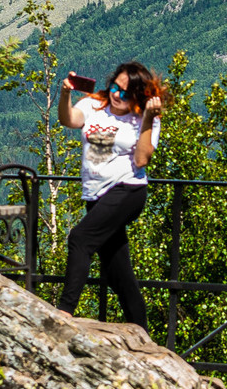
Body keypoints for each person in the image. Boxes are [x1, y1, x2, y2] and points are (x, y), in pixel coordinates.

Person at [56, 60, 164, 329]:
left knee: (80, 239)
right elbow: (69, 120)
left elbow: (141, 160)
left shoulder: (145, 119)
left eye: (126, 93)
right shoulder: (94, 104)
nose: (117, 95)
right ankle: (143, 336)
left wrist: (149, 119)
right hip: (95, 195)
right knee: (120, 275)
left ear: (138, 96)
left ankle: (64, 312)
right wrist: (66, 94)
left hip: (127, 190)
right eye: (115, 87)